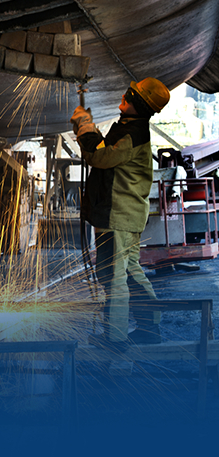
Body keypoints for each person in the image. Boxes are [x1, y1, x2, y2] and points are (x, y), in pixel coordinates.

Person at [70, 77, 171, 350]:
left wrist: (85, 127)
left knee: (113, 277)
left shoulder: (132, 133)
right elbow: (104, 152)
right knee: (128, 272)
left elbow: (100, 157)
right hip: (120, 215)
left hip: (118, 216)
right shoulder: (130, 127)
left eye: (129, 95)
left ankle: (115, 339)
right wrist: (88, 131)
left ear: (137, 102)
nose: (123, 98)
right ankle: (150, 326)